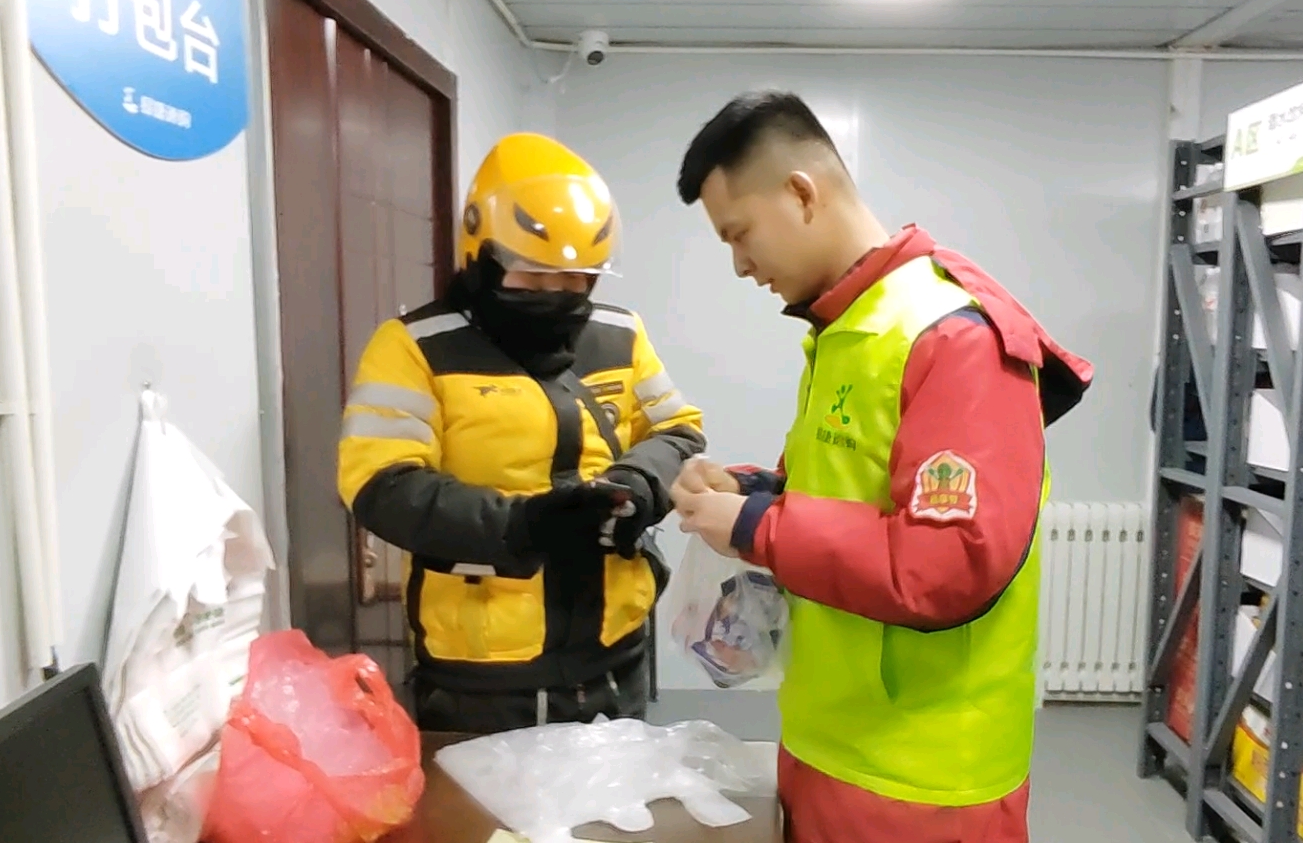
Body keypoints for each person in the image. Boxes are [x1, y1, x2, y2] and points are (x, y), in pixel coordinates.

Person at [667, 91, 1094, 843]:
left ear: (802, 193)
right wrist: (751, 492)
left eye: (740, 234)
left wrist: (757, 526)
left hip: (921, 778)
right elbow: (848, 491)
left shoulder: (951, 337)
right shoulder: (845, 330)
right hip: (827, 738)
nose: (739, 265)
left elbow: (948, 562)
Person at [337, 132, 705, 734]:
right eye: (534, 278)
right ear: (483, 257)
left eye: (577, 279)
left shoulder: (621, 334)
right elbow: (380, 484)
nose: (558, 295)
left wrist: (640, 484)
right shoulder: (415, 348)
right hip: (482, 675)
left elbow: (678, 430)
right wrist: (523, 525)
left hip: (616, 653)